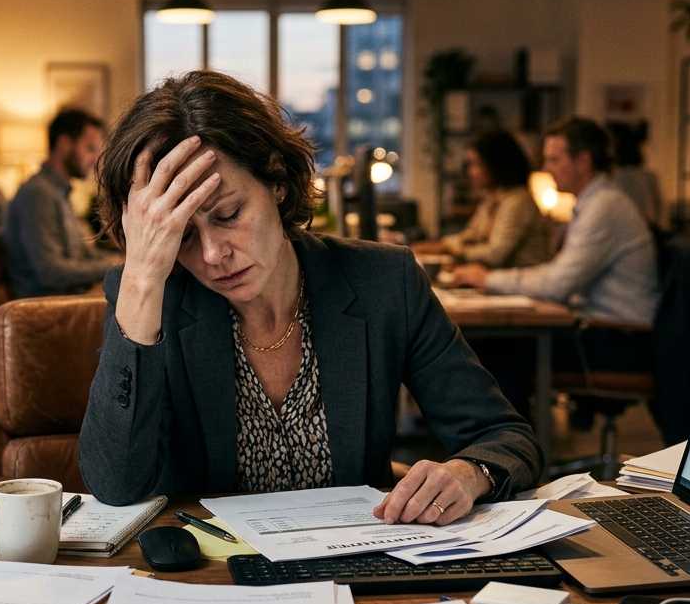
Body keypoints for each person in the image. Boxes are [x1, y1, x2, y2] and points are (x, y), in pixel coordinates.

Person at [78, 70, 541, 527]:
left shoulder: (384, 282)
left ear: (276, 181)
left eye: (229, 214)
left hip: (355, 573)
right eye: (180, 236)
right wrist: (140, 277)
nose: (214, 254)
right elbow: (117, 484)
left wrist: (468, 472)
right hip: (214, 581)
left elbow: (505, 435)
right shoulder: (148, 299)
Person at [454, 117, 660, 421]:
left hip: (619, 339)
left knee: (499, 353)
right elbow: (559, 275)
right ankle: (503, 450)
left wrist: (490, 279)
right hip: (605, 331)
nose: (546, 168)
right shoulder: (594, 203)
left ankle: (511, 456)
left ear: (583, 161)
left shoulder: (604, 207)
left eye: (554, 159)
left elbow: (558, 283)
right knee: (494, 347)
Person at [2, 109, 118, 298]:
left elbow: (81, 254)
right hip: (50, 307)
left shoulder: (57, 192)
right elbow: (50, 273)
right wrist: (113, 265)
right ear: (64, 144)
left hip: (70, 296)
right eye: (90, 148)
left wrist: (122, 261)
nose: (95, 159)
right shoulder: (38, 193)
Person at [414, 130, 550, 268]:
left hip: (520, 286)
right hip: (501, 283)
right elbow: (469, 236)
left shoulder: (519, 201)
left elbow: (495, 254)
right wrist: (440, 245)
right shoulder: (493, 199)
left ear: (496, 164)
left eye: (476, 164)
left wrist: (448, 249)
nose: (470, 172)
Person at [608, 121, 663, 227]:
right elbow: (659, 208)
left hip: (631, 228)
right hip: (648, 227)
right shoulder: (649, 176)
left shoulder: (618, 177)